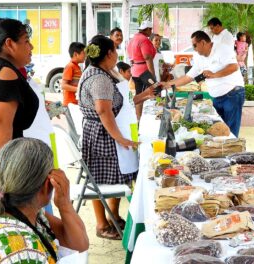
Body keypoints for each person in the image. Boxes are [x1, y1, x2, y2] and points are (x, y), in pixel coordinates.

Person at [0, 138, 89, 263]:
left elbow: (80, 246)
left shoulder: (29, 214)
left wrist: (64, 205)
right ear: (48, 184)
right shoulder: (18, 246)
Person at [79, 35, 139, 240]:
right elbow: (104, 111)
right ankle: (102, 224)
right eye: (115, 49)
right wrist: (120, 139)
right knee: (99, 179)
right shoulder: (99, 78)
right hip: (101, 135)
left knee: (115, 176)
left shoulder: (104, 72)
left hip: (107, 130)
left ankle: (113, 216)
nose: (118, 53)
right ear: (108, 54)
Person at [0, 18, 39, 166]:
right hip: (1, 162)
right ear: (9, 44)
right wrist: (6, 173)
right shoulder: (4, 73)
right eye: (26, 41)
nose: (32, 47)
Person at [163, 31, 245, 137]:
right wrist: (167, 84)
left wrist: (214, 74)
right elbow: (188, 77)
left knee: (230, 133)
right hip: (217, 97)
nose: (194, 48)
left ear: (202, 42)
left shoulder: (222, 49)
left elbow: (234, 67)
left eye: (194, 45)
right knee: (218, 131)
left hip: (232, 93)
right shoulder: (199, 58)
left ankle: (233, 152)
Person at [127, 20, 156, 120]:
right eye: (150, 29)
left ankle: (137, 120)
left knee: (139, 94)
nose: (151, 31)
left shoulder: (133, 39)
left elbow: (130, 56)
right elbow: (148, 57)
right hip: (144, 72)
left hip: (135, 70)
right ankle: (137, 120)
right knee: (142, 96)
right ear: (147, 29)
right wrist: (152, 75)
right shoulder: (144, 40)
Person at [61, 42, 86, 106]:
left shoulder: (77, 67)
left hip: (75, 102)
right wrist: (79, 89)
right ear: (75, 54)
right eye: (83, 53)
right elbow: (63, 85)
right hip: (70, 104)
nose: (85, 55)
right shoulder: (70, 66)